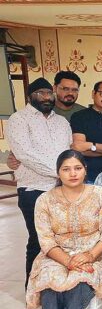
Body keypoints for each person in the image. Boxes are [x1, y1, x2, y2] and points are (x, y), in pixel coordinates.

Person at [27, 150, 102, 309]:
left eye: (77, 168)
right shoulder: (45, 200)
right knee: (50, 277)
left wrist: (89, 255)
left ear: (85, 170)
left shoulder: (100, 195)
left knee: (81, 279)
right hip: (57, 254)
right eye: (66, 169)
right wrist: (68, 261)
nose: (73, 173)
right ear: (58, 173)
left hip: (95, 253)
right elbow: (46, 240)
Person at [5, 78, 73, 286]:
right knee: (39, 240)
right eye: (40, 93)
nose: (46, 97)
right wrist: (60, 173)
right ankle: (33, 290)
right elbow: (24, 154)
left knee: (61, 240)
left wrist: (65, 176)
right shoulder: (18, 120)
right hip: (34, 190)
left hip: (62, 190)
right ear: (30, 96)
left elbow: (68, 152)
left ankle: (56, 286)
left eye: (49, 93)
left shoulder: (62, 122)